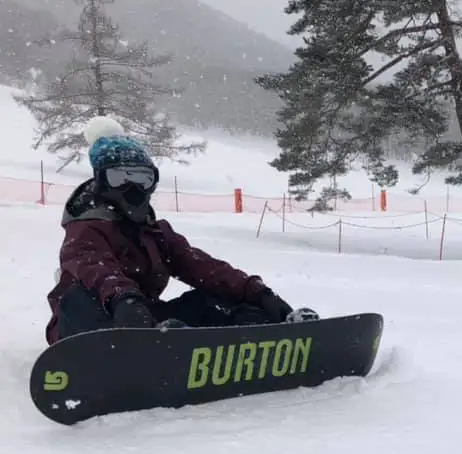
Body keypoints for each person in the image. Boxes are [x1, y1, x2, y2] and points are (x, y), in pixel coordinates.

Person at [45, 116, 309, 345]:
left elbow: (201, 266)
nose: (132, 188)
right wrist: (123, 299)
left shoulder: (156, 232)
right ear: (101, 182)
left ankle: (259, 333)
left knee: (211, 300)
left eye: (142, 179)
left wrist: (258, 293)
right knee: (78, 298)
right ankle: (123, 349)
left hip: (144, 322)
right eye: (119, 178)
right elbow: (96, 268)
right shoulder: (84, 229)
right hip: (91, 325)